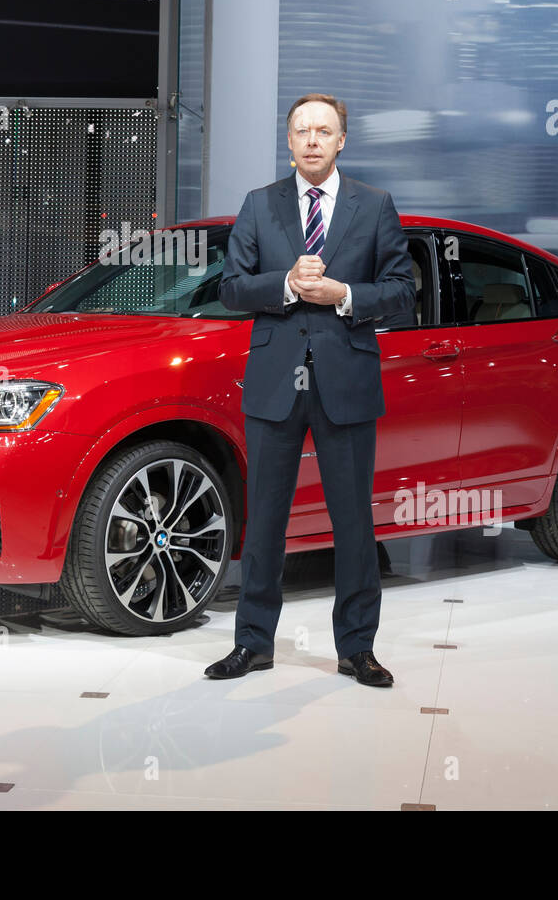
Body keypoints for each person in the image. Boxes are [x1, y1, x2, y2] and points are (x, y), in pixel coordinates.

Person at [206, 93, 415, 686]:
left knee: (353, 522)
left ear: (342, 140)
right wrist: (290, 285)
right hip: (275, 382)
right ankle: (253, 644)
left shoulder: (374, 206)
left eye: (324, 130)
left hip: (345, 380)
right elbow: (230, 289)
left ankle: (356, 648)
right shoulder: (258, 205)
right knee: (266, 518)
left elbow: (401, 290)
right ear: (290, 141)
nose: (313, 140)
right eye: (302, 131)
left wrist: (344, 295)